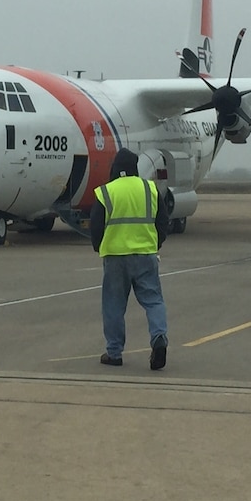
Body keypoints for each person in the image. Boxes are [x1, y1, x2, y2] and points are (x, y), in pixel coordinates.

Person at [90, 147, 170, 370]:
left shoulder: (105, 191)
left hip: (115, 257)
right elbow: (163, 221)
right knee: (153, 300)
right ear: (135, 169)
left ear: (115, 169)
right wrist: (155, 243)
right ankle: (159, 337)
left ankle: (114, 353)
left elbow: (96, 225)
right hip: (145, 255)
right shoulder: (150, 189)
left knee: (114, 306)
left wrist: (98, 246)